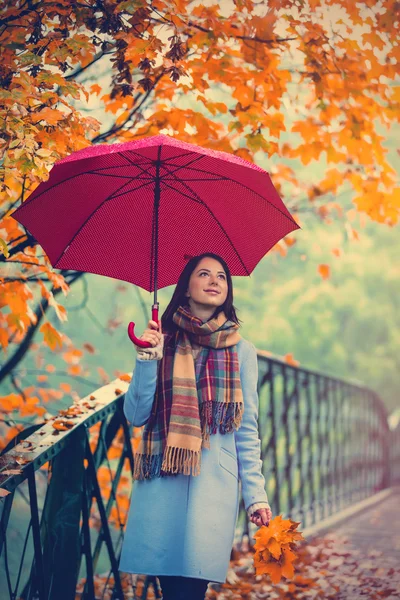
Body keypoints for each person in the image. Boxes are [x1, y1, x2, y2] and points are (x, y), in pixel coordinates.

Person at [119, 252, 272, 600]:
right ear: (186, 288)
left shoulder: (242, 351)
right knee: (171, 587)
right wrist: (147, 357)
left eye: (221, 276)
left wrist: (256, 496)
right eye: (204, 274)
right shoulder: (164, 342)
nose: (214, 280)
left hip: (212, 484)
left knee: (191, 588)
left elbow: (246, 428)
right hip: (165, 479)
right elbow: (136, 414)